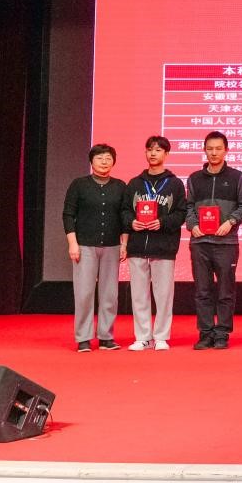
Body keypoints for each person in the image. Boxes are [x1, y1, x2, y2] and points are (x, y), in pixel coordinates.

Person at [185, 131, 242, 350]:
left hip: (226, 243)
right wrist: (193, 225)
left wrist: (231, 222)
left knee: (225, 291)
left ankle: (222, 333)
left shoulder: (238, 177)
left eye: (218, 148)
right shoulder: (194, 178)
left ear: (226, 150)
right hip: (200, 243)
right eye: (210, 149)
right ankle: (205, 333)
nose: (214, 153)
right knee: (202, 291)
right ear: (204, 150)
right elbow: (188, 206)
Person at [120, 135, 187, 351]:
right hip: (138, 246)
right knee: (139, 295)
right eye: (150, 149)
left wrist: (162, 222)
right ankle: (142, 337)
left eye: (158, 150)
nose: (153, 153)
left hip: (164, 247)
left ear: (166, 154)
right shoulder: (135, 183)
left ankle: (161, 337)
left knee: (164, 295)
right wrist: (132, 222)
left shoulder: (175, 184)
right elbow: (124, 210)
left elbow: (181, 213)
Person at [62, 143, 128, 352]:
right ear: (91, 161)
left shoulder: (120, 186)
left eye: (108, 158)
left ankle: (106, 337)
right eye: (100, 158)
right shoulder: (79, 185)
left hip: (112, 246)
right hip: (84, 246)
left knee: (110, 294)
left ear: (113, 162)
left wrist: (124, 244)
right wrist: (72, 243)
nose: (104, 162)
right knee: (84, 293)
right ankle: (83, 338)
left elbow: (125, 217)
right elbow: (68, 215)